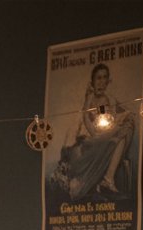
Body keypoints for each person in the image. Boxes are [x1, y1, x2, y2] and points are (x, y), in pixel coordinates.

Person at [52, 63, 134, 201]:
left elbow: (116, 118)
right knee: (120, 134)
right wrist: (102, 135)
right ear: (92, 81)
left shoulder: (109, 100)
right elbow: (88, 126)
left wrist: (121, 120)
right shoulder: (88, 101)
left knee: (125, 130)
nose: (101, 82)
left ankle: (108, 180)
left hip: (103, 138)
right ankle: (106, 180)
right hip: (89, 143)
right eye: (98, 78)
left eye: (104, 78)